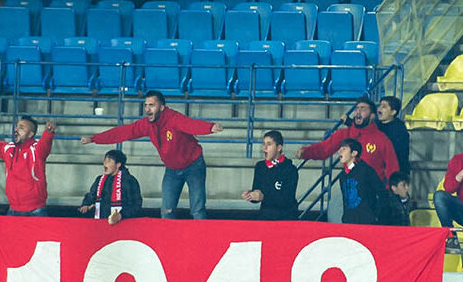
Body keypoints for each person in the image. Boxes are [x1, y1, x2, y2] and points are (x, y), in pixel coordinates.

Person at [81, 90, 222, 219]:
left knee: (197, 210)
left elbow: (190, 124)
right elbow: (123, 132)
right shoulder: (147, 124)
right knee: (167, 210)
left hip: (193, 166)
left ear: (162, 107)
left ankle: (202, 237)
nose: (147, 109)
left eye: (152, 105)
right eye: (146, 105)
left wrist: (209, 127)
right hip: (172, 169)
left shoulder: (174, 119)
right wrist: (94, 139)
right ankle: (167, 238)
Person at [298, 97, 399, 185]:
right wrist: (306, 152)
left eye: (363, 109)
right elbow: (325, 148)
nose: (358, 112)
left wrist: (390, 190)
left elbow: (392, 167)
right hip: (350, 190)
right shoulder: (344, 134)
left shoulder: (382, 139)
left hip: (373, 192)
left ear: (372, 116)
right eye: (357, 109)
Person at [241, 129, 299, 220]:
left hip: (286, 219)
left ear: (279, 148)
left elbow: (287, 199)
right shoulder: (260, 166)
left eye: (269, 144)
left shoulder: (290, 169)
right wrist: (251, 195)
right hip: (265, 217)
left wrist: (263, 196)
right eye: (263, 144)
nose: (264, 148)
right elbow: (258, 191)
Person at [79, 149, 142, 223]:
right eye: (104, 160)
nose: (105, 163)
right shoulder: (99, 179)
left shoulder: (129, 181)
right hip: (101, 223)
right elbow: (91, 196)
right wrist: (86, 205)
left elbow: (136, 204)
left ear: (118, 164)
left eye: (108, 160)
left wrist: (121, 215)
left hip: (123, 224)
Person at [337, 137, 385, 225]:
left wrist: (375, 216)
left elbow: (382, 193)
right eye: (340, 148)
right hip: (348, 221)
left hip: (366, 222)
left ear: (354, 153)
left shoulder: (366, 170)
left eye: (344, 149)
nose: (339, 151)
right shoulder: (342, 175)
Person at [376, 95, 410, 174]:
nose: (379, 109)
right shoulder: (375, 125)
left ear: (393, 112)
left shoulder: (399, 130)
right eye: (379, 106)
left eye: (384, 107)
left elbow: (399, 154)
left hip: (396, 172)